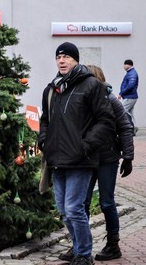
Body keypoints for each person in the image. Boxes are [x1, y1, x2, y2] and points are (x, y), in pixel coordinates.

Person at [38, 42, 115, 265]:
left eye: (66, 57)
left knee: (74, 208)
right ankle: (78, 247)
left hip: (81, 159)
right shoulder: (52, 88)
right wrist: (44, 140)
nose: (61, 60)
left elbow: (106, 121)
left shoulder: (91, 85)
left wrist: (86, 145)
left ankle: (84, 254)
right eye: (58, 57)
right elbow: (45, 119)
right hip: (57, 158)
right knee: (63, 210)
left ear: (76, 60)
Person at [80, 64, 135, 261]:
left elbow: (125, 127)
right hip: (86, 159)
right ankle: (80, 245)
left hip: (107, 159)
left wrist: (128, 157)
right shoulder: (82, 99)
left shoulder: (111, 100)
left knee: (106, 202)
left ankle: (113, 244)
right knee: (82, 203)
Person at [119, 59, 139, 131]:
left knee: (123, 110)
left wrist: (121, 93)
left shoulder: (132, 73)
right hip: (130, 96)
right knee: (130, 112)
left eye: (124, 64)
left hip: (130, 96)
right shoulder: (130, 73)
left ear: (128, 65)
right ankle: (133, 128)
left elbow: (131, 85)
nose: (123, 66)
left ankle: (131, 128)